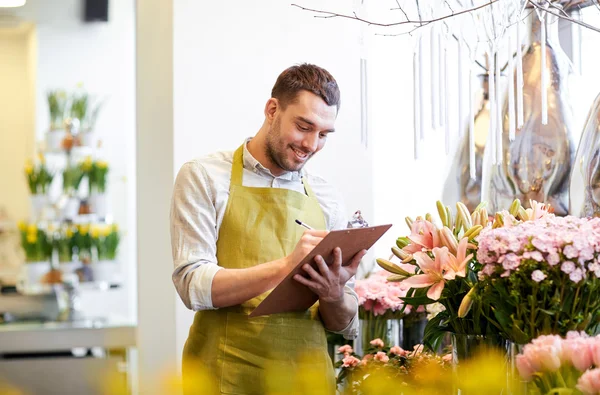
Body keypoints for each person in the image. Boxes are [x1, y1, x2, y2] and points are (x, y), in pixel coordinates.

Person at [170, 63, 366, 394]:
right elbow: (192, 285)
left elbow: (343, 325)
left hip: (306, 380)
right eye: (304, 127)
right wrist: (286, 266)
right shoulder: (204, 176)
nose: (312, 144)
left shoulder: (327, 197)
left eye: (323, 134)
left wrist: (333, 293)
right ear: (272, 109)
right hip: (223, 376)